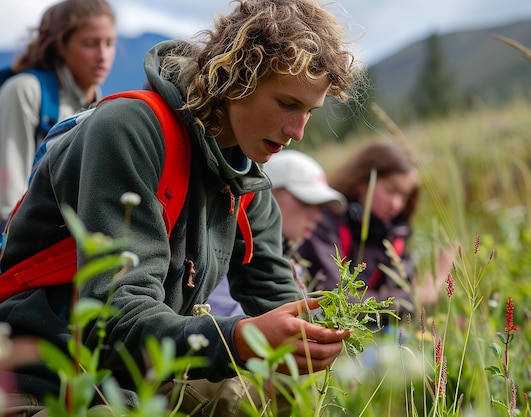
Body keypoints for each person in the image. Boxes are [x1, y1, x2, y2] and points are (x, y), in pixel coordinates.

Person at [0, 0, 360, 415]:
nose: (298, 131)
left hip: (141, 377)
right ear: (237, 80)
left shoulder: (244, 173)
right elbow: (118, 317)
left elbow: (277, 294)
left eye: (309, 112)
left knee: (287, 396)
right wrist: (238, 340)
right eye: (286, 104)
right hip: (45, 376)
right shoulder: (128, 130)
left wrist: (324, 341)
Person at [298, 140, 455, 320]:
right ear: (362, 183)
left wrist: (437, 278)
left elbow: (399, 294)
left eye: (404, 195)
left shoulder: (396, 233)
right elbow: (334, 302)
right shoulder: (322, 222)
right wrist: (419, 296)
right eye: (390, 190)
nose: (396, 204)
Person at [0, 0, 117, 227]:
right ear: (61, 46)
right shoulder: (26, 91)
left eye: (110, 43)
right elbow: (7, 197)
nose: (103, 55)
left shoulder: (102, 109)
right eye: (91, 43)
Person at [207, 149, 347, 317]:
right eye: (306, 200)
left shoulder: (294, 265)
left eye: (321, 208)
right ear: (268, 193)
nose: (317, 216)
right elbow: (220, 318)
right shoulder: (223, 249)